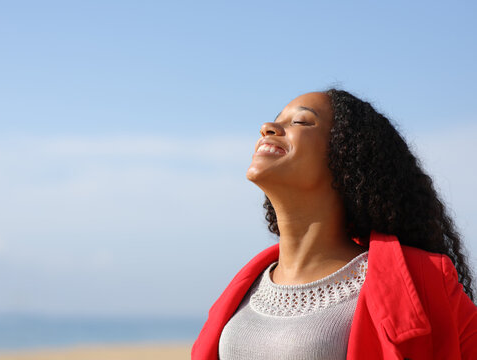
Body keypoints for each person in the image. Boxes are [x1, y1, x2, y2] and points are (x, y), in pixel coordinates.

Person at [192, 89, 477, 360]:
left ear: (347, 156)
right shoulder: (244, 288)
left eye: (301, 121)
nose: (268, 127)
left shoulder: (425, 281)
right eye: (274, 119)